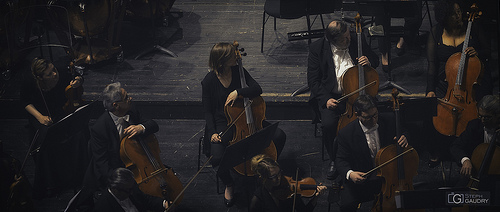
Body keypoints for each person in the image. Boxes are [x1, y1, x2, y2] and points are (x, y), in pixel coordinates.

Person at [201, 42, 286, 207]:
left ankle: (266, 170)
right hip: (222, 122)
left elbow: (257, 88)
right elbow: (207, 112)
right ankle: (229, 184)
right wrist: (212, 132)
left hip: (247, 118)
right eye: (233, 56)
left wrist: (238, 91)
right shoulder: (209, 81)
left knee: (279, 135)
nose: (236, 57)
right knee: (217, 157)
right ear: (223, 60)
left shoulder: (237, 70)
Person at [307, 20, 379, 180]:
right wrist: (326, 100)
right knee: (328, 125)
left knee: (372, 116)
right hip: (334, 98)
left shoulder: (357, 39)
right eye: (344, 39)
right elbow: (313, 81)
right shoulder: (317, 49)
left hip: (360, 95)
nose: (348, 41)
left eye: (348, 36)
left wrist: (370, 62)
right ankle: (335, 159)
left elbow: (376, 60)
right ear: (331, 40)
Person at [425, 0, 492, 167]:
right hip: (447, 81)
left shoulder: (473, 27)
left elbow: (489, 52)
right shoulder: (436, 32)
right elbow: (432, 65)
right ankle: (438, 149)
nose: (459, 15)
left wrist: (478, 52)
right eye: (454, 14)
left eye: (459, 11)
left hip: (472, 80)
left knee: (480, 110)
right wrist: (430, 90)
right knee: (432, 110)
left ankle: (471, 149)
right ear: (444, 17)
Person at [76, 82, 159, 211]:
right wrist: (124, 181)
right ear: (116, 105)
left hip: (135, 162)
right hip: (114, 170)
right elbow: (102, 165)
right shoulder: (99, 128)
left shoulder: (131, 109)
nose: (130, 98)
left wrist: (141, 127)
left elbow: (153, 125)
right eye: (126, 97)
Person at [20, 57, 84, 198]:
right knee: (46, 142)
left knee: (78, 133)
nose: (54, 74)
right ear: (40, 78)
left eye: (53, 70)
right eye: (49, 74)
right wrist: (39, 117)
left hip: (61, 109)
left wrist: (78, 81)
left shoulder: (61, 71)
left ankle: (76, 174)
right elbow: (25, 101)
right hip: (40, 113)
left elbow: (78, 78)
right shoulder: (29, 81)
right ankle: (52, 182)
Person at [335, 95, 408, 211]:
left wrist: (405, 137)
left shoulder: (389, 119)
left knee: (403, 201)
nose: (374, 120)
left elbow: (405, 130)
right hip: (363, 179)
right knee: (346, 205)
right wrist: (350, 173)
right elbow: (340, 160)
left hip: (388, 176)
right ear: (357, 115)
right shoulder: (346, 133)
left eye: (375, 115)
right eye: (368, 117)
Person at [249, 154, 327, 212]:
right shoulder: (257, 200)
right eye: (273, 176)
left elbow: (304, 210)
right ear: (262, 178)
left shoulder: (289, 188)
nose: (279, 178)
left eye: (279, 173)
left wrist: (316, 197)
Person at [450, 95, 499, 179]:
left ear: (498, 115)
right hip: (476, 173)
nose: (482, 120)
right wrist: (465, 160)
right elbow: (456, 146)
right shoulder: (474, 125)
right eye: (480, 116)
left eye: (487, 117)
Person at [93, 168, 170, 212]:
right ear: (115, 189)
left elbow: (145, 199)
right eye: (128, 191)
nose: (132, 192)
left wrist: (164, 203)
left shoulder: (130, 187)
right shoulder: (102, 208)